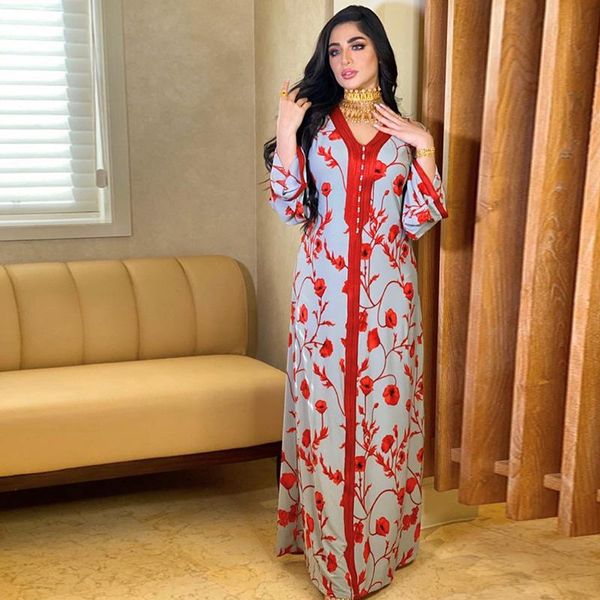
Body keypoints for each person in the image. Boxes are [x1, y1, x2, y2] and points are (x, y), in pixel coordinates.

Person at [263, 5, 448, 599]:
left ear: (379, 53)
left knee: (385, 420)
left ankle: (384, 549)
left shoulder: (404, 131)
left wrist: (425, 148)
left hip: (391, 301)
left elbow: (417, 221)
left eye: (357, 46)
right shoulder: (314, 124)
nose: (345, 59)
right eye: (335, 49)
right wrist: (287, 129)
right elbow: (291, 207)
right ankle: (334, 564)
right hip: (321, 297)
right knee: (327, 422)